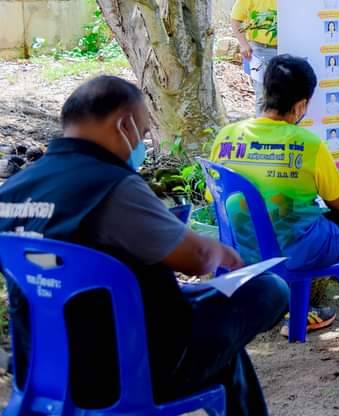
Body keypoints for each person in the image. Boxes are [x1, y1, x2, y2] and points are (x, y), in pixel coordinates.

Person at [0, 76, 288, 415]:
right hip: (132, 370)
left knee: (217, 340)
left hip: (41, 368)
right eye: (144, 132)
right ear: (124, 125)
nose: (142, 142)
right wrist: (223, 254)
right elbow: (196, 259)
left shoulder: (13, 191)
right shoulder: (111, 185)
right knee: (268, 288)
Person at [211, 56, 339, 337]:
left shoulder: (227, 136)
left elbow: (218, 201)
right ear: (300, 105)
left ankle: (298, 310)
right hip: (297, 254)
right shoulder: (307, 143)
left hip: (241, 251)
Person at [231, 0, 278, 113]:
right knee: (262, 95)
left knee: (283, 93)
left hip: (285, 48)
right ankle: (261, 132)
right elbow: (235, 21)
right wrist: (244, 44)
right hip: (259, 50)